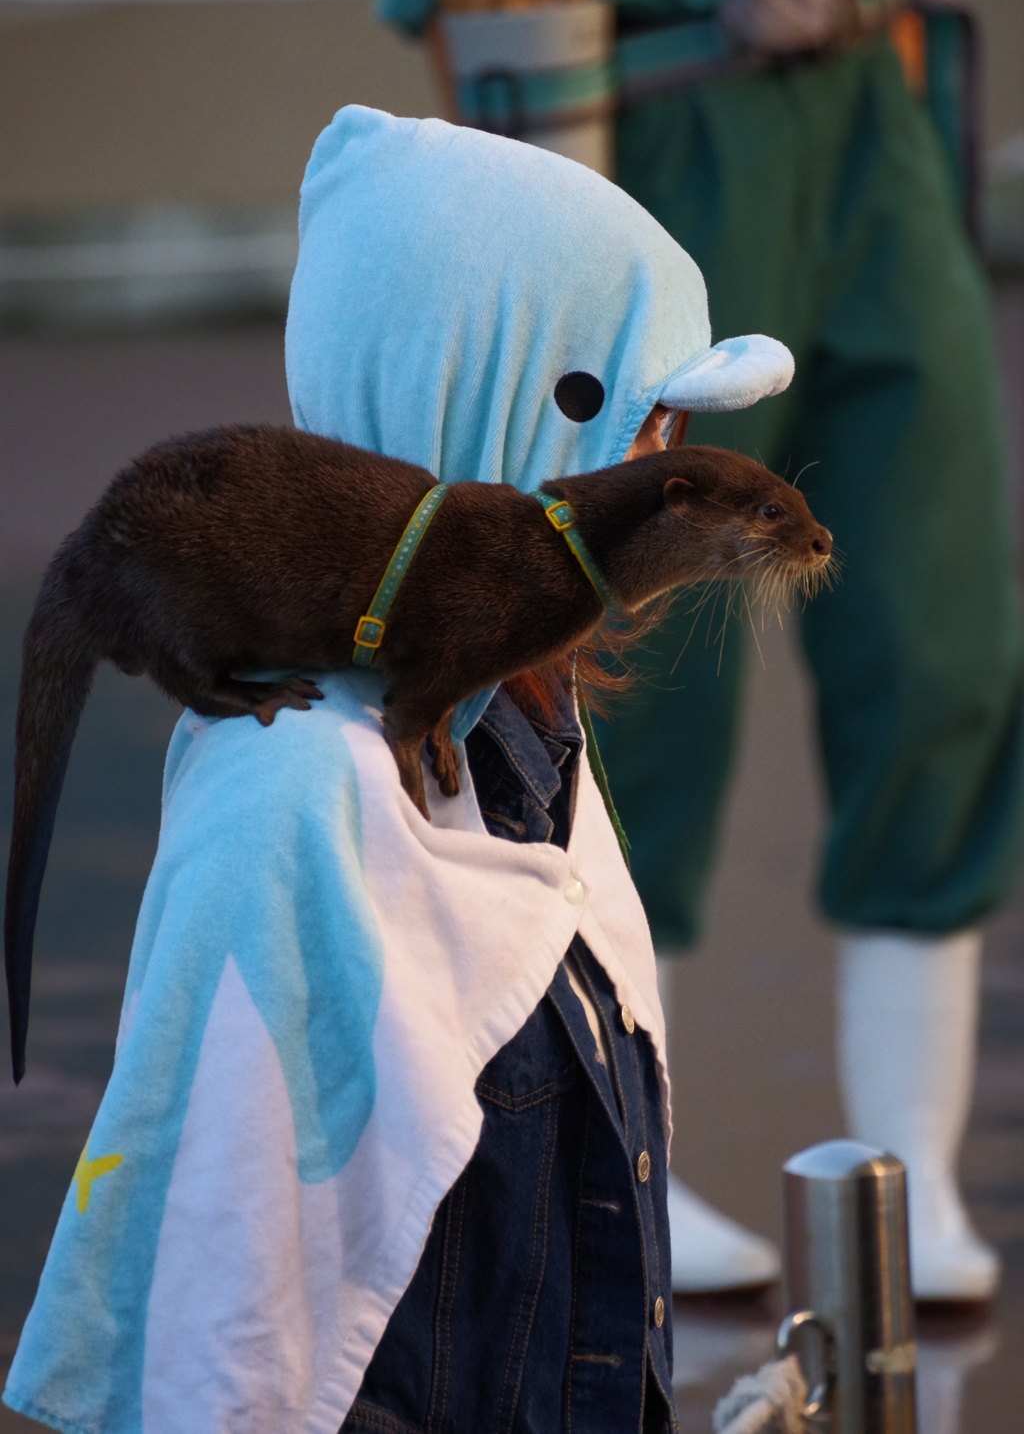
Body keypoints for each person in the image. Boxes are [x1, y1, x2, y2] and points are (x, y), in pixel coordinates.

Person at [4, 107, 796, 1434]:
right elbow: (230, 1329)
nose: (666, 472)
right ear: (537, 405)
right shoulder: (297, 805)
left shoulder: (532, 736)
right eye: (651, 425)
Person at [378, 0, 1024, 1301]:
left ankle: (909, 1172)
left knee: (943, 638)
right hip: (640, 71)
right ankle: (613, 1174)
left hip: (862, 47)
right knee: (629, 651)